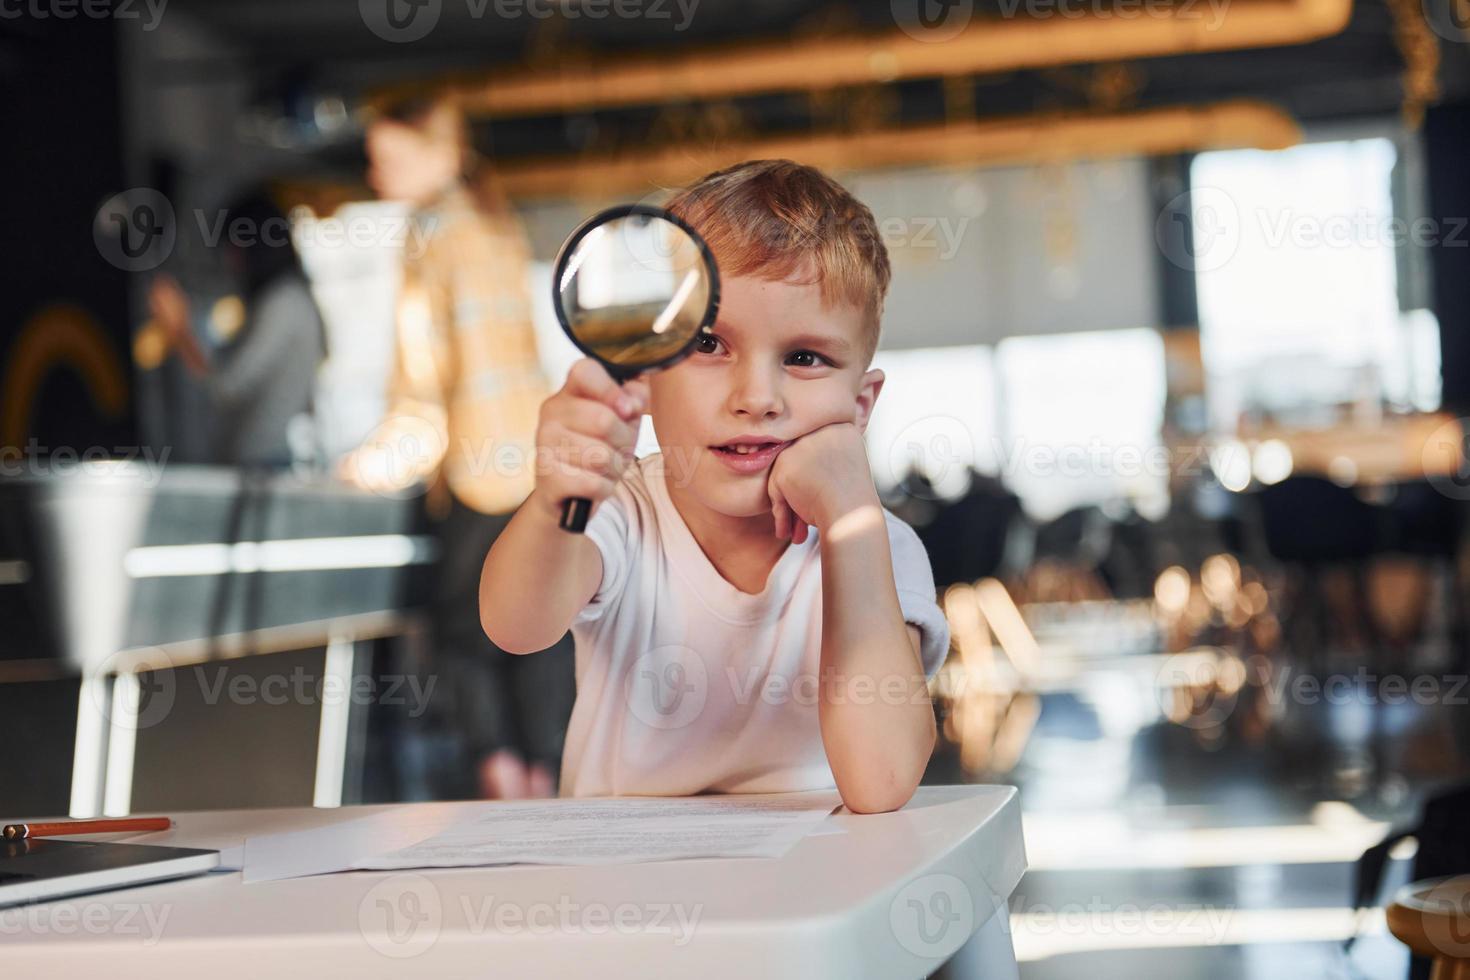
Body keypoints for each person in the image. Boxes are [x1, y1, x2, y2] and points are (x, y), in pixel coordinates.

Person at [479, 160, 950, 811]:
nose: (756, 398)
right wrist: (558, 501)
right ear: (644, 376)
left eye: (804, 358)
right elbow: (516, 626)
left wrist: (850, 524)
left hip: (812, 893)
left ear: (860, 406)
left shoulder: (878, 544)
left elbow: (882, 781)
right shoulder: (621, 514)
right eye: (708, 344)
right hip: (626, 893)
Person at [342, 91, 572, 801]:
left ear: (440, 155)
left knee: (462, 637)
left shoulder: (434, 234)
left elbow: (429, 382)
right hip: (533, 461)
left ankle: (507, 800)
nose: (378, 177)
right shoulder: (493, 225)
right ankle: (548, 799)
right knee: (539, 631)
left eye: (391, 159)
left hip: (479, 468)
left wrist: (372, 464)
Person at [150, 190, 327, 467]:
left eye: (233, 248)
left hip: (265, 467)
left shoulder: (283, 303)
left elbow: (226, 385)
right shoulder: (288, 298)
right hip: (267, 465)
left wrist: (181, 329)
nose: (231, 261)